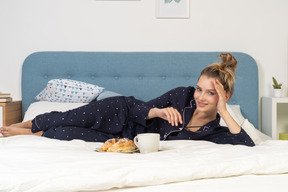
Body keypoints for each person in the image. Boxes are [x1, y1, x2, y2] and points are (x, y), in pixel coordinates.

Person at [0, 53, 255, 147]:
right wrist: (158, 112)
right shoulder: (182, 95)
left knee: (67, 132)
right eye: (200, 89)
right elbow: (138, 107)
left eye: (210, 93)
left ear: (224, 96)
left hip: (127, 140)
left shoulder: (214, 131)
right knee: (69, 116)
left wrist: (224, 108)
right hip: (120, 111)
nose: (199, 97)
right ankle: (25, 125)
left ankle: (30, 134)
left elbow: (245, 143)